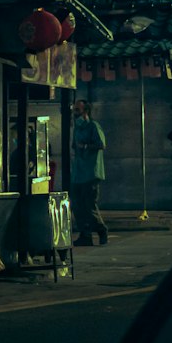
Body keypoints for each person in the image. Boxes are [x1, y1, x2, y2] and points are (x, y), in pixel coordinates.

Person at [70, 99, 109, 246]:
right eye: (74, 110)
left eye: (77, 110)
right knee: (77, 205)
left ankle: (101, 229)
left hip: (91, 172)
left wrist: (85, 146)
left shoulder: (93, 126)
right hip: (79, 172)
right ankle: (85, 234)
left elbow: (101, 144)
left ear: (85, 111)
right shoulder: (77, 128)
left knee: (89, 204)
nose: (75, 113)